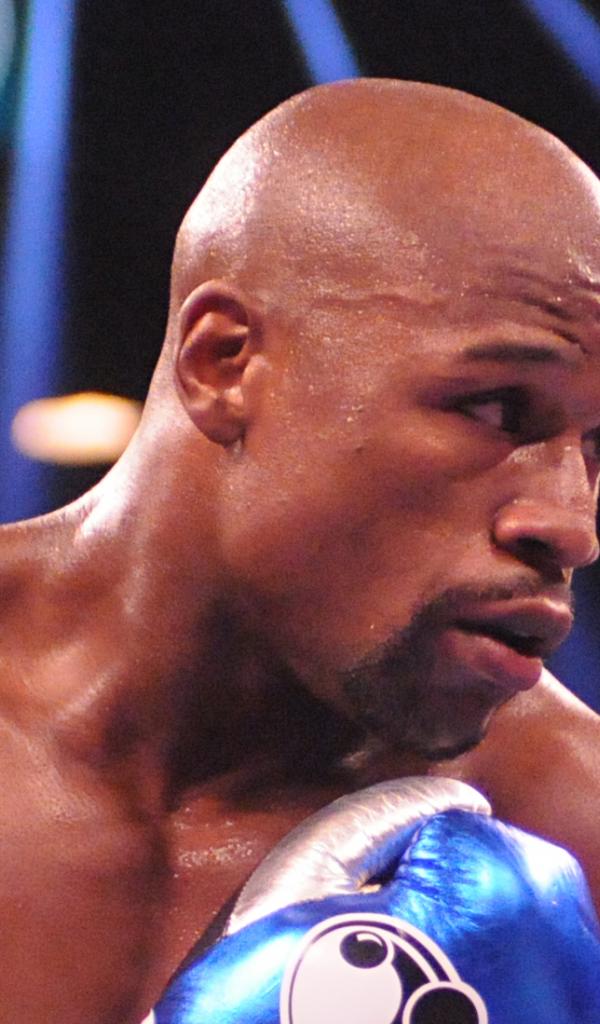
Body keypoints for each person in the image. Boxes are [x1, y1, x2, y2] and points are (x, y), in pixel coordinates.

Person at [2, 77, 600, 1024]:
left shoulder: (569, 825)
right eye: (494, 407)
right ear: (225, 364)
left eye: (598, 447)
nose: (571, 524)